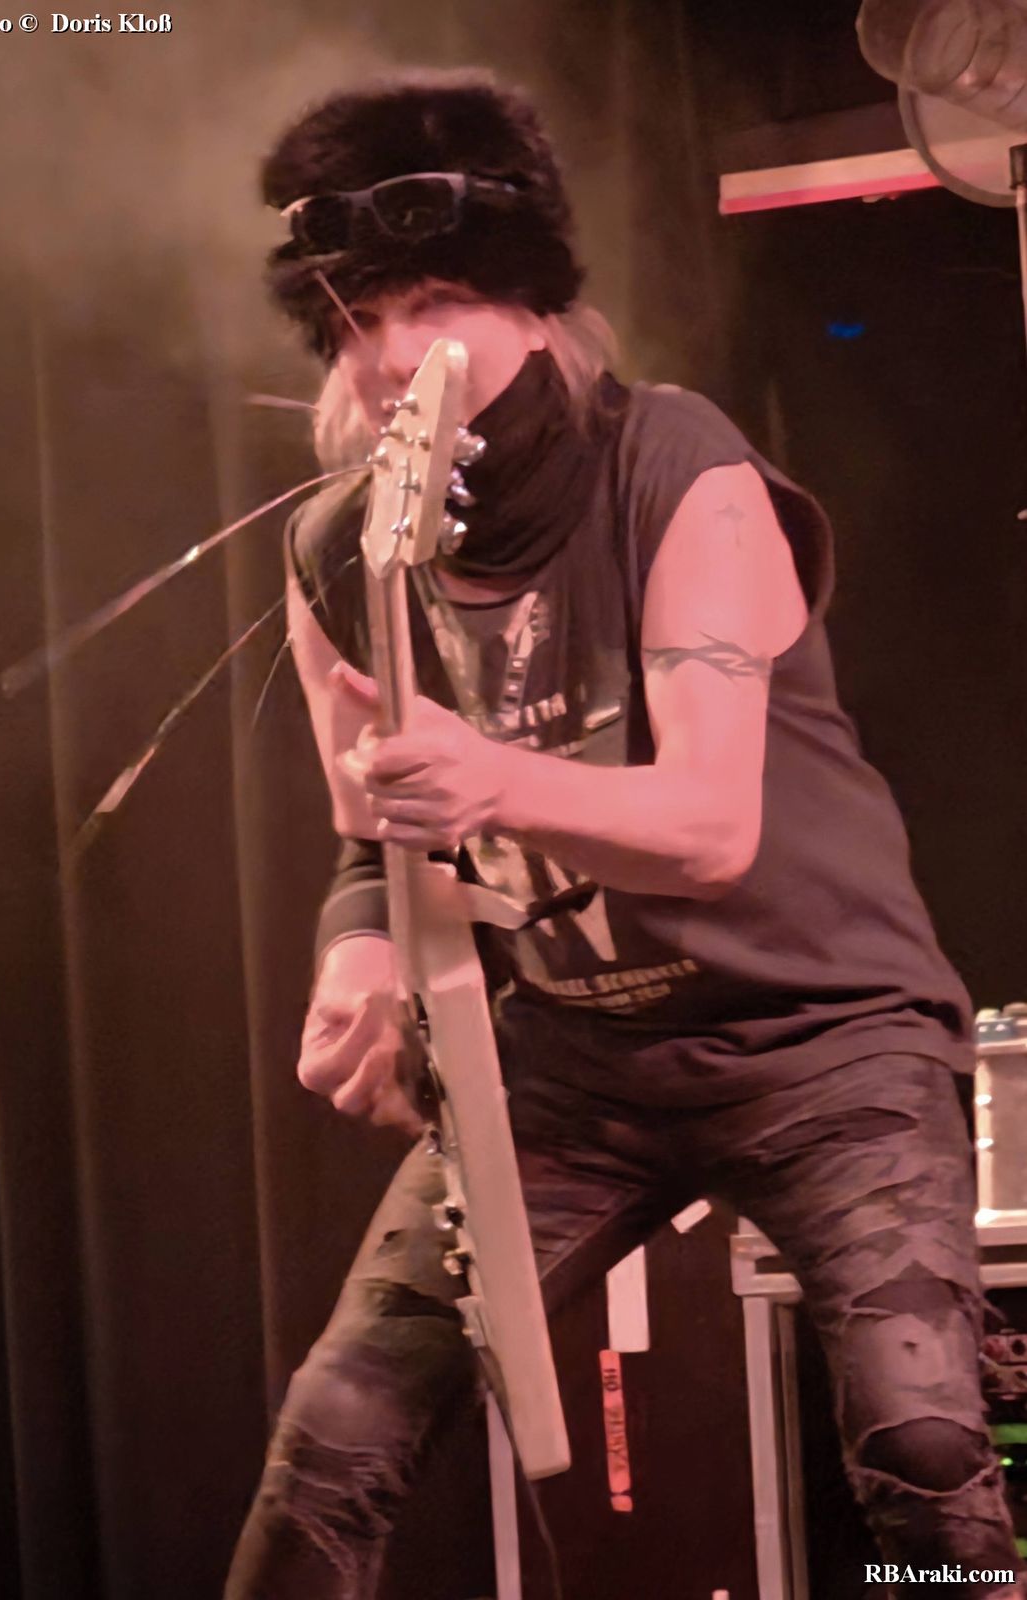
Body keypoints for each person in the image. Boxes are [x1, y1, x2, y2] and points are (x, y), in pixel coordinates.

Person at [225, 70, 1022, 1600]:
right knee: (334, 1433)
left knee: (919, 1446)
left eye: (434, 303)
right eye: (360, 319)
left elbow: (708, 827)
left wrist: (484, 781)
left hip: (818, 1039)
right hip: (573, 1064)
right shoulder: (339, 549)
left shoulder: (678, 464)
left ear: (532, 309)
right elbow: (374, 843)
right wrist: (363, 950)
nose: (392, 355)